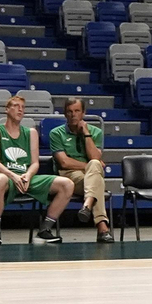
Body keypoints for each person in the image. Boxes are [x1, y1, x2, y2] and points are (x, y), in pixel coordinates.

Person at [0, 95, 73, 245]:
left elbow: (35, 163)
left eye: (23, 107)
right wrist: (13, 176)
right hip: (7, 177)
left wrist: (28, 175)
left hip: (26, 177)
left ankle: (45, 230)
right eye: (16, 106)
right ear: (7, 110)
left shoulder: (31, 132)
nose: (20, 109)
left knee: (67, 184)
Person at [49, 98, 114, 243]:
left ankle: (87, 206)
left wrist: (86, 133)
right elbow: (64, 162)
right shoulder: (56, 133)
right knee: (96, 176)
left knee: (95, 169)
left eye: (77, 111)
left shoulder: (95, 132)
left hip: (89, 176)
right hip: (68, 177)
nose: (73, 115)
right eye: (69, 112)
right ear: (65, 114)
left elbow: (95, 157)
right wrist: (90, 165)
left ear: (83, 113)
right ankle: (102, 227)